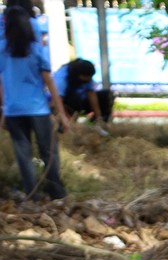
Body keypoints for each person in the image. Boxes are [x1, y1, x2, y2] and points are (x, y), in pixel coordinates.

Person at [2, 0, 67, 200]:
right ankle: (56, 193)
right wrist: (62, 113)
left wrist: (4, 109)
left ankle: (32, 194)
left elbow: (1, 84)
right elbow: (50, 83)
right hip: (38, 109)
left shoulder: (2, 50)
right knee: (48, 153)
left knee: (24, 156)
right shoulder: (35, 49)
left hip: (13, 110)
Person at [56, 56, 111, 135]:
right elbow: (57, 100)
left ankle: (97, 127)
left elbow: (92, 94)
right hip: (64, 104)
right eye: (87, 77)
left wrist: (99, 117)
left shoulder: (87, 76)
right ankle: (64, 129)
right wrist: (66, 119)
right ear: (79, 74)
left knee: (105, 95)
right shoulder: (61, 77)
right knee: (74, 99)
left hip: (80, 102)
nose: (89, 79)